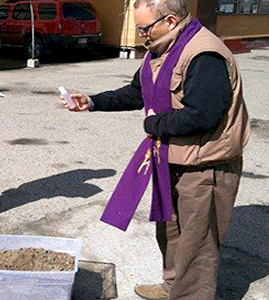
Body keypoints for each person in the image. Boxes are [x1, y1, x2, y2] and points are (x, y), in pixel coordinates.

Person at [60, 0, 250, 299]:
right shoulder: (160, 49)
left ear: (171, 21)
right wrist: (94, 101)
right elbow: (137, 92)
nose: (140, 35)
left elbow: (202, 115)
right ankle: (173, 287)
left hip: (205, 166)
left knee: (197, 246)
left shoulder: (204, 54)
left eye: (144, 28)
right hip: (171, 158)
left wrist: (153, 125)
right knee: (171, 233)